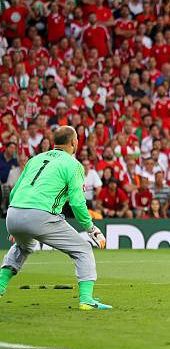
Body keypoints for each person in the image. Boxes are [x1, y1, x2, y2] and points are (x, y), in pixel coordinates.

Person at [0, 126, 111, 310]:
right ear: (74, 142)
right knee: (83, 249)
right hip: (41, 215)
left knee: (23, 246)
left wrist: (15, 224)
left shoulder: (35, 159)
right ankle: (86, 299)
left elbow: (14, 192)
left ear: (54, 143)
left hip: (13, 213)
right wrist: (91, 228)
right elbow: (76, 203)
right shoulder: (73, 165)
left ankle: (1, 285)